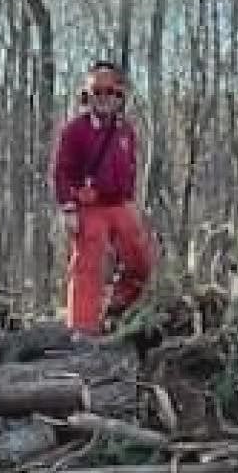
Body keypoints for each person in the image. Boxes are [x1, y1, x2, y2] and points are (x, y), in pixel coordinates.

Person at [50, 60, 157, 335]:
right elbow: (62, 171)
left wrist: (131, 200)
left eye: (110, 92)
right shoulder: (75, 130)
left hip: (120, 203)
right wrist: (68, 208)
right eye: (98, 92)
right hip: (90, 206)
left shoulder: (126, 131)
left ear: (119, 96)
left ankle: (119, 308)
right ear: (88, 95)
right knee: (88, 265)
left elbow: (130, 167)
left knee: (140, 259)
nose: (104, 98)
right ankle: (82, 329)